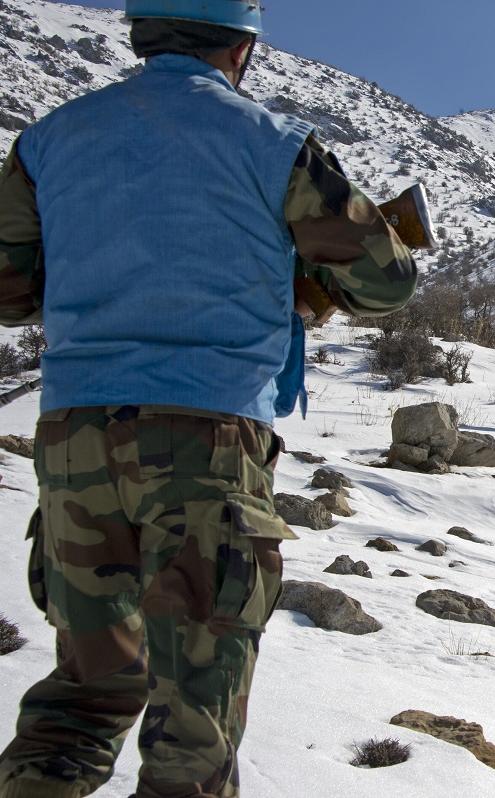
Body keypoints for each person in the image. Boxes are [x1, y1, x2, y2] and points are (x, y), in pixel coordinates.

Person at [0, 1, 418, 795]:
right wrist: (300, 283)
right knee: (194, 719)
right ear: (240, 49)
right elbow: (385, 281)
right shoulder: (272, 142)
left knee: (83, 696)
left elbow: (7, 290)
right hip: (207, 441)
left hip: (75, 437)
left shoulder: (48, 140)